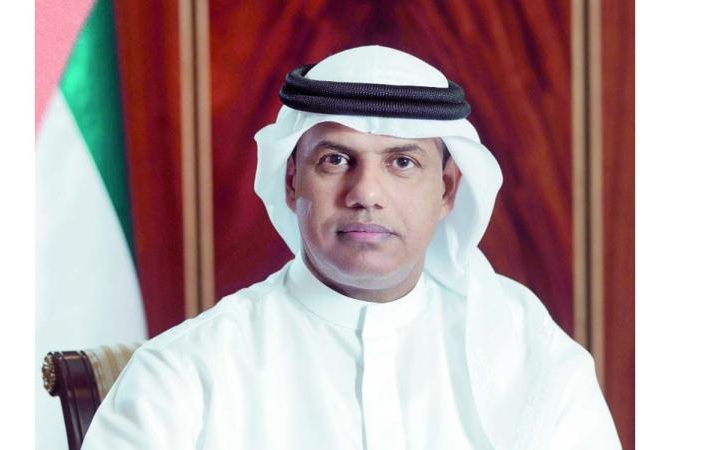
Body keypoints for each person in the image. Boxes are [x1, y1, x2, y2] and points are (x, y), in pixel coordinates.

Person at [81, 45, 621, 450]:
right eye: (335, 160)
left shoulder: (532, 352)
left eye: (402, 162)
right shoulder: (185, 372)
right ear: (291, 181)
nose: (365, 193)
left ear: (446, 190)